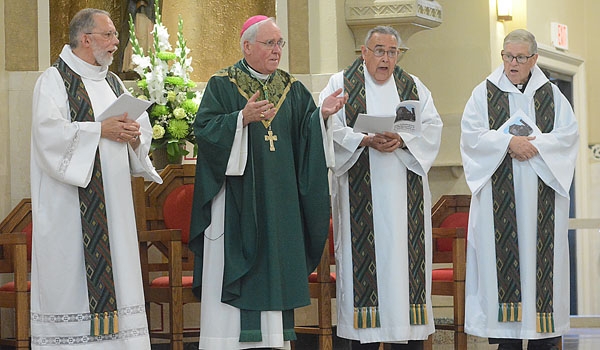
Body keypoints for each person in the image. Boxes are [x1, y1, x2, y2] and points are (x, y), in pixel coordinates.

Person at [188, 15, 347, 349]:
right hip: (237, 202)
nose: (277, 51)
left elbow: (306, 139)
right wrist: (240, 119)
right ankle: (227, 341)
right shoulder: (223, 84)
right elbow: (204, 132)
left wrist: (322, 115)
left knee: (274, 268)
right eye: (270, 43)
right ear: (247, 46)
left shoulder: (293, 89)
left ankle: (272, 341)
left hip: (280, 203)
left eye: (280, 44)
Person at [30, 8, 161, 349]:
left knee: (119, 271)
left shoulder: (113, 82)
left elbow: (138, 140)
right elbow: (48, 137)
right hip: (69, 211)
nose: (117, 42)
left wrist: (134, 136)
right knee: (70, 280)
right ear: (86, 39)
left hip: (113, 210)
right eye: (110, 35)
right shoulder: (54, 80)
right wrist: (98, 130)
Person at [320, 26, 442, 349]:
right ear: (363, 52)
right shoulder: (341, 85)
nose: (386, 58)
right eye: (379, 51)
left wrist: (402, 139)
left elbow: (432, 129)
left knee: (405, 282)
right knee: (366, 300)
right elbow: (328, 128)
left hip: (406, 200)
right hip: (360, 196)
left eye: (392, 52)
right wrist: (363, 139)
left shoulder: (413, 86)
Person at [460, 29, 579, 350]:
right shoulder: (482, 94)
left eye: (520, 57)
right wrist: (507, 142)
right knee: (503, 288)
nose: (512, 63)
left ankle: (544, 337)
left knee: (541, 276)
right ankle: (506, 338)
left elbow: (568, 138)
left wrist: (534, 146)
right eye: (507, 56)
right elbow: (470, 137)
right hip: (498, 207)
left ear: (534, 59)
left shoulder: (553, 95)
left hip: (541, 200)